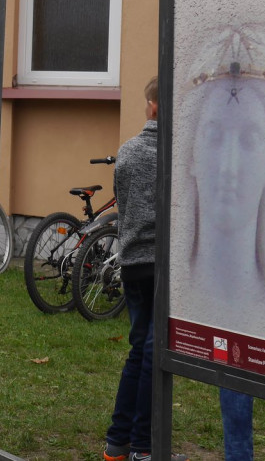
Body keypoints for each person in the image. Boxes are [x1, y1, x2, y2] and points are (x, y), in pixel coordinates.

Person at [178, 26, 265, 459]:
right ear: (192, 153)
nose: (229, 167)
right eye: (214, 135)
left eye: (251, 138)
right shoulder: (187, 290)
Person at [102, 76, 185, 461]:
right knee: (154, 353)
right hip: (162, 266)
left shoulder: (128, 151)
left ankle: (117, 443)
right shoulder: (175, 153)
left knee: (140, 349)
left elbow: (120, 198)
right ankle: (143, 448)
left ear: (152, 106)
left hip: (132, 264)